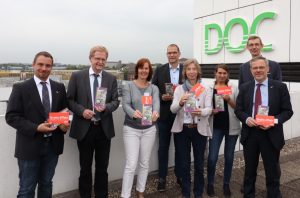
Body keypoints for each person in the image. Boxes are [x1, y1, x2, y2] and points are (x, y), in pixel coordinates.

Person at [6, 51, 68, 198]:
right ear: (33, 65)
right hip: (29, 145)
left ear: (52, 67)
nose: (44, 68)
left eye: (48, 65)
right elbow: (11, 116)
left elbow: (63, 112)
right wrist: (36, 128)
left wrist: (64, 125)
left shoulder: (59, 87)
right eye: (40, 64)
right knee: (27, 188)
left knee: (46, 184)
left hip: (53, 145)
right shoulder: (21, 88)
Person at [235, 56, 293, 198]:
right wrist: (247, 118)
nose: (258, 70)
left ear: (268, 69)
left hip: (271, 134)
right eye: (255, 68)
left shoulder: (280, 87)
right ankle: (249, 195)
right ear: (251, 70)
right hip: (250, 134)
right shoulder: (244, 87)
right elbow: (239, 110)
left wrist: (273, 121)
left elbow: (287, 111)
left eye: (261, 67)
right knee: (249, 171)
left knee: (272, 172)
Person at [67, 46, 119, 198]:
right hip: (85, 129)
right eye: (97, 58)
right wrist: (82, 111)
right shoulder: (77, 76)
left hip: (104, 129)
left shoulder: (111, 78)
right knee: (85, 167)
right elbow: (70, 100)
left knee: (103, 168)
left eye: (103, 59)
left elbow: (116, 101)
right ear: (90, 58)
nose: (100, 62)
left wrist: (106, 107)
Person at [170, 58, 212, 198]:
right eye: (189, 69)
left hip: (199, 129)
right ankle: (186, 192)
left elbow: (209, 109)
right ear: (185, 72)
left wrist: (201, 112)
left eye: (194, 69)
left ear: (198, 71)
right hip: (182, 130)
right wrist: (181, 103)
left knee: (199, 164)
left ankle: (198, 193)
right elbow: (173, 109)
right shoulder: (179, 89)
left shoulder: (205, 88)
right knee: (184, 164)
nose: (192, 72)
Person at [120, 58, 160, 198]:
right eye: (141, 68)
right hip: (131, 129)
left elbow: (156, 104)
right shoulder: (128, 86)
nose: (144, 71)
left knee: (144, 163)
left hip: (149, 129)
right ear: (137, 69)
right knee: (131, 164)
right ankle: (125, 195)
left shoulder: (153, 88)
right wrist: (133, 113)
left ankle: (140, 191)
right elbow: (125, 104)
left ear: (149, 71)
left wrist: (156, 113)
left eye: (146, 68)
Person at [152, 44, 183, 191]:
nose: (172, 55)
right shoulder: (160, 70)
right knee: (163, 148)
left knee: (180, 147)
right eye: (169, 53)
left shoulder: (186, 69)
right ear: (167, 54)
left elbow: (193, 88)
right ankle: (162, 178)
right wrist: (160, 96)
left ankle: (180, 176)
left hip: (181, 115)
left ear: (179, 54)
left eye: (174, 52)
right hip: (164, 115)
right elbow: (152, 90)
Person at [206, 64, 241, 197]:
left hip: (231, 127)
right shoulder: (209, 88)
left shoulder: (234, 87)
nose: (221, 75)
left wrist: (228, 99)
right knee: (212, 157)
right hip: (215, 127)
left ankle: (226, 184)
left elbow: (239, 108)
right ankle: (210, 183)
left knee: (229, 157)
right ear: (215, 73)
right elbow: (204, 106)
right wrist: (210, 112)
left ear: (228, 74)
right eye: (219, 72)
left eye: (224, 73)